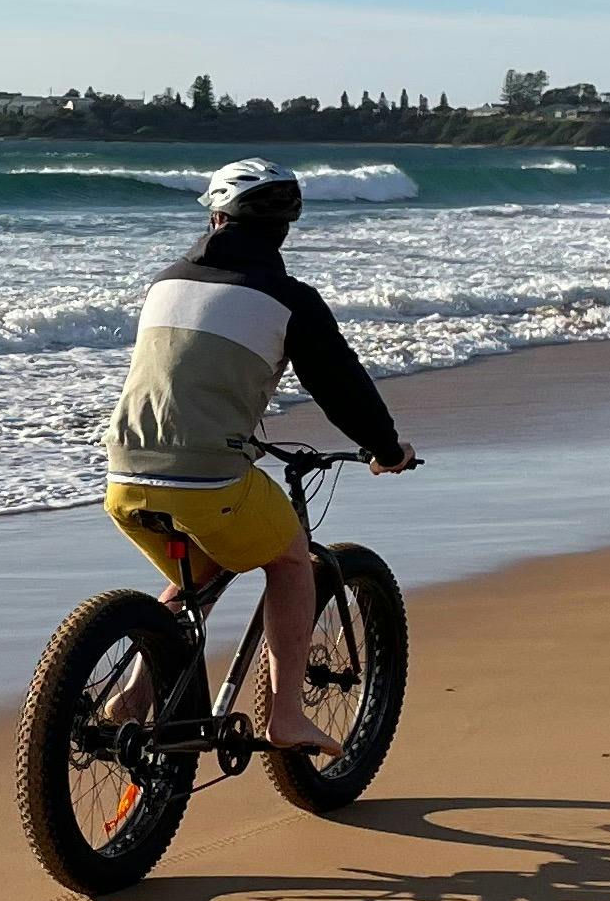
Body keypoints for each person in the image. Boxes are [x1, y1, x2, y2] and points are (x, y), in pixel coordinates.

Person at [102, 158, 419, 752]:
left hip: (123, 472)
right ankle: (286, 716)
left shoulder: (165, 281)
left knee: (205, 568)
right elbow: (341, 386)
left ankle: (132, 698)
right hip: (208, 480)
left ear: (216, 217)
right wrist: (385, 447)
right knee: (292, 560)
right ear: (283, 229)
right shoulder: (286, 298)